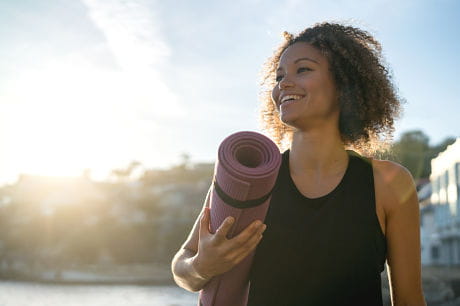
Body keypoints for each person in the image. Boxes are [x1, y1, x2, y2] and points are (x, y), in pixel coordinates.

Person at [171, 22, 426, 305]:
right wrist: (201, 267)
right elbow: (183, 265)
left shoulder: (389, 183)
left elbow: (409, 300)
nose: (284, 83)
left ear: (344, 84)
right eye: (279, 76)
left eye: (303, 69)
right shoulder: (252, 178)